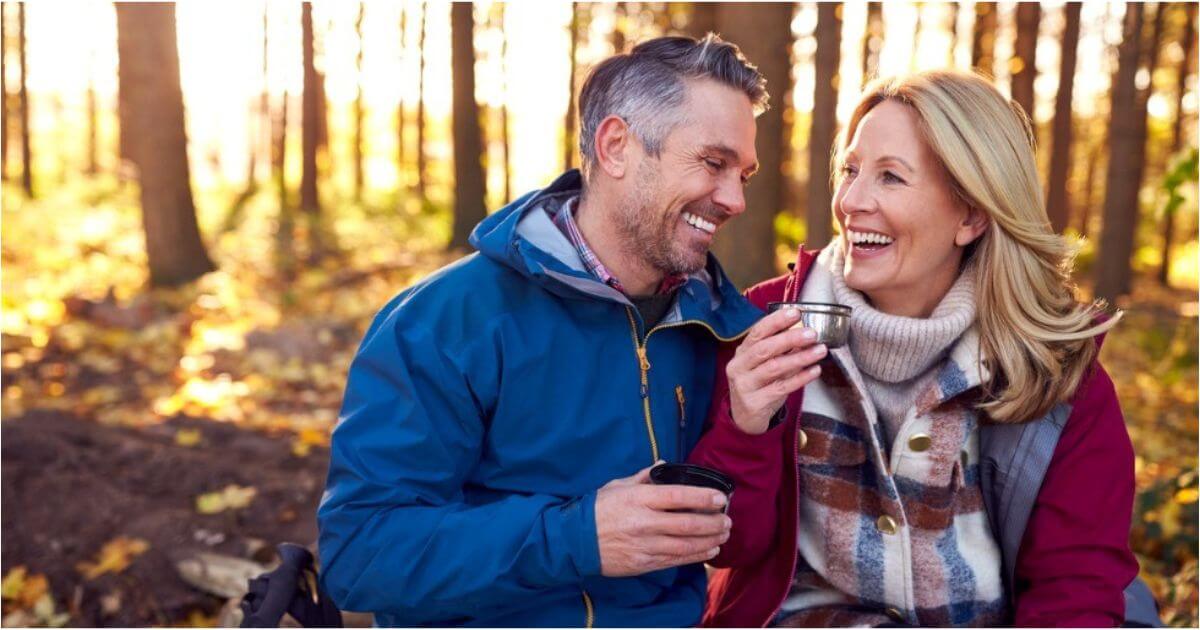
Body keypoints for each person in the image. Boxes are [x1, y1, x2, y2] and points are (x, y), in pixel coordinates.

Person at [317, 35, 770, 627]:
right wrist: (576, 537)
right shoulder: (447, 320)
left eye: (745, 174)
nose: (735, 199)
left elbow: (736, 536)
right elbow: (361, 553)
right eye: (713, 163)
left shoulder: (717, 327)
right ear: (615, 146)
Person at [688, 70, 1142, 627]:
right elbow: (728, 547)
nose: (851, 201)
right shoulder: (763, 327)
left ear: (971, 216)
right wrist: (746, 425)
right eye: (850, 171)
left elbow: (1075, 591)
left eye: (891, 179)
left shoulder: (1057, 373)